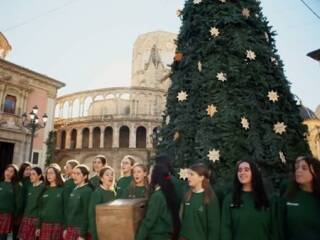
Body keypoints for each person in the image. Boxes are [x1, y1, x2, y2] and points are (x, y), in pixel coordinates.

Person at [221, 160, 276, 240]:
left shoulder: (268, 199)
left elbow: (274, 229)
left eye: (246, 170)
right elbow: (225, 229)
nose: (242, 173)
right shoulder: (230, 199)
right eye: (239, 170)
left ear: (254, 173)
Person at [279, 156, 320, 240]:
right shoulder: (287, 191)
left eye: (304, 168)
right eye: (297, 168)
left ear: (315, 172)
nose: (299, 171)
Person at [135, 164, 180, 240]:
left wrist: (139, 238)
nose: (148, 177)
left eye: (150, 174)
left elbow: (149, 221)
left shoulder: (157, 196)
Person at [180, 163, 220, 240]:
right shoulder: (187, 196)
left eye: (191, 174)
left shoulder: (210, 198)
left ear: (201, 177)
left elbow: (214, 228)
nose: (188, 177)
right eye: (188, 174)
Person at [64, 165, 93, 240]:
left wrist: (82, 235)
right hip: (70, 228)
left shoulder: (87, 191)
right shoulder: (75, 189)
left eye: (78, 174)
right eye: (74, 173)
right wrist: (66, 228)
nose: (75, 176)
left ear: (85, 176)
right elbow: (69, 211)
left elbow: (86, 213)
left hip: (79, 230)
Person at [36, 166, 65, 240]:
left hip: (58, 225)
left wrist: (65, 227)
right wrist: (38, 226)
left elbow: (66, 210)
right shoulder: (44, 189)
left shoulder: (63, 189)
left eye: (51, 173)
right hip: (44, 224)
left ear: (57, 174)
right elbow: (40, 209)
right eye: (47, 173)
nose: (48, 175)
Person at [88, 166, 116, 240]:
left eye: (112, 174)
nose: (110, 177)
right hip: (99, 232)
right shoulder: (97, 193)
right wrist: (95, 235)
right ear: (101, 178)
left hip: (110, 230)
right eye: (107, 175)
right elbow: (92, 215)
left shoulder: (112, 193)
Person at [18, 167, 45, 240]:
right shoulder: (30, 187)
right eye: (30, 174)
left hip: (35, 220)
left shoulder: (44, 187)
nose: (31, 176)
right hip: (26, 217)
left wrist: (39, 223)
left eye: (33, 174)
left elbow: (42, 206)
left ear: (39, 176)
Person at [0, 164, 19, 240]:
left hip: (7, 215)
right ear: (4, 171)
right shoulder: (0, 183)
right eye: (7, 170)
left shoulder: (15, 186)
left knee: (2, 238)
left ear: (14, 174)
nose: (8, 173)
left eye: (11, 171)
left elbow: (17, 202)